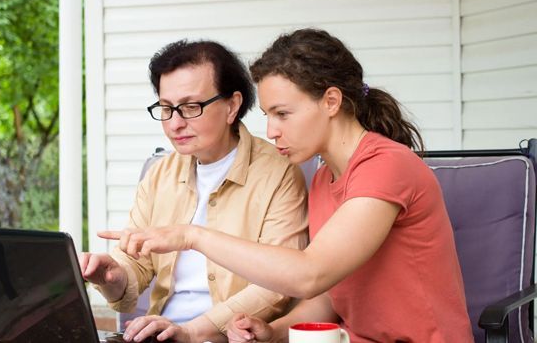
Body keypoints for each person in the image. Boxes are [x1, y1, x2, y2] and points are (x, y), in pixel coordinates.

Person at [99, 28, 474, 342]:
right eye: (268, 115)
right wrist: (272, 330)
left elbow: (310, 274)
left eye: (282, 114)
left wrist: (192, 236)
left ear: (330, 101)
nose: (271, 130)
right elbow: (331, 292)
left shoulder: (386, 166)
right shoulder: (327, 176)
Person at [80, 40, 309, 343]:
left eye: (190, 107)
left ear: (232, 106)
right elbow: (133, 270)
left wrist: (193, 331)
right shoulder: (159, 174)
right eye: (165, 109)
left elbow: (278, 285)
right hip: (163, 335)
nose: (175, 124)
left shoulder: (278, 172)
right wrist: (113, 278)